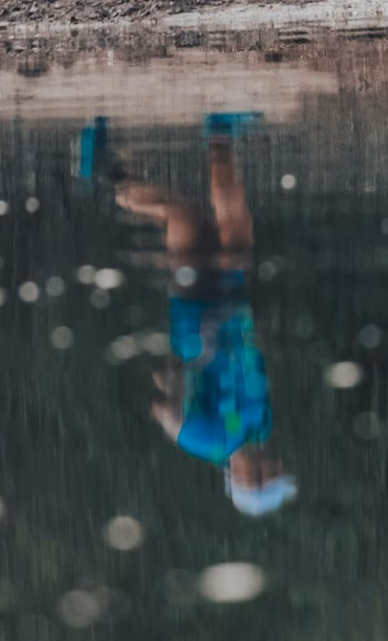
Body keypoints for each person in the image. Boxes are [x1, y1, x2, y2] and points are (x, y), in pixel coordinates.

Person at [115, 118, 296, 518]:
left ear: (251, 478)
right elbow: (255, 370)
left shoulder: (208, 443)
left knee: (181, 215)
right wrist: (261, 332)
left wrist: (182, 368)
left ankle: (113, 183)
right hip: (232, 308)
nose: (277, 464)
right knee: (234, 229)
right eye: (276, 470)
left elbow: (166, 413)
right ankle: (219, 136)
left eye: (271, 473)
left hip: (195, 311)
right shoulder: (258, 428)